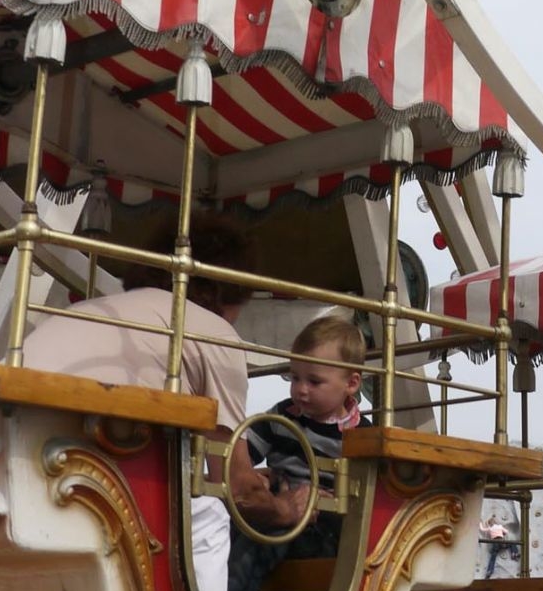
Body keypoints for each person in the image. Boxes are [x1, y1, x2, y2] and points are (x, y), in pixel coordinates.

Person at [22, 209, 255, 591]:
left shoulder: (78, 312)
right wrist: (291, 506)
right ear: (227, 289)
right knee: (210, 511)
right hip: (91, 495)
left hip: (19, 473)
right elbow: (235, 483)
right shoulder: (213, 331)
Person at [227, 312, 371, 591]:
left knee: (255, 543)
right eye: (294, 378)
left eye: (314, 381)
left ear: (351, 384)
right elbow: (240, 458)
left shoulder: (363, 435)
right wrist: (256, 479)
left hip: (328, 529)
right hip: (285, 515)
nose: (301, 390)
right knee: (239, 525)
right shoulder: (283, 417)